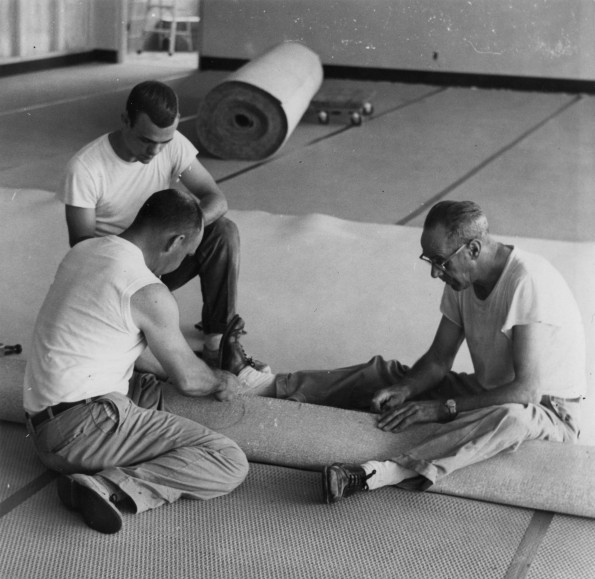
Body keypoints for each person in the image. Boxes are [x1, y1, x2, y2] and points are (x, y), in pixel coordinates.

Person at [220, 200, 586, 503]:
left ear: (473, 249)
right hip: (490, 390)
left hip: (548, 412)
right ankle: (264, 384)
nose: (435, 274)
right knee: (387, 373)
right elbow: (439, 360)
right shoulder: (462, 276)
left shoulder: (527, 282)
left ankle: (376, 474)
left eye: (440, 262)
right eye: (430, 262)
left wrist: (442, 408)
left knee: (511, 418)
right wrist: (407, 390)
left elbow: (527, 392)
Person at [24, 189, 251, 534]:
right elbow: (191, 381)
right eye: (187, 253)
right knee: (229, 460)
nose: (182, 263)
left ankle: (104, 468)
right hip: (85, 431)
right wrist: (223, 380)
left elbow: (120, 339)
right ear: (174, 241)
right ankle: (109, 488)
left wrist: (173, 372)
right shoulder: (148, 291)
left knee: (151, 384)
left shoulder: (84, 251)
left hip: (43, 424)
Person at [57, 79, 269, 378]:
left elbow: (216, 199)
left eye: (164, 142)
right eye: (146, 139)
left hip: (163, 259)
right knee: (140, 364)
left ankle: (217, 341)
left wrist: (186, 231)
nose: (155, 151)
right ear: (125, 121)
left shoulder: (173, 144)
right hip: (116, 275)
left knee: (222, 231)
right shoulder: (86, 167)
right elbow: (81, 247)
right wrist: (136, 260)